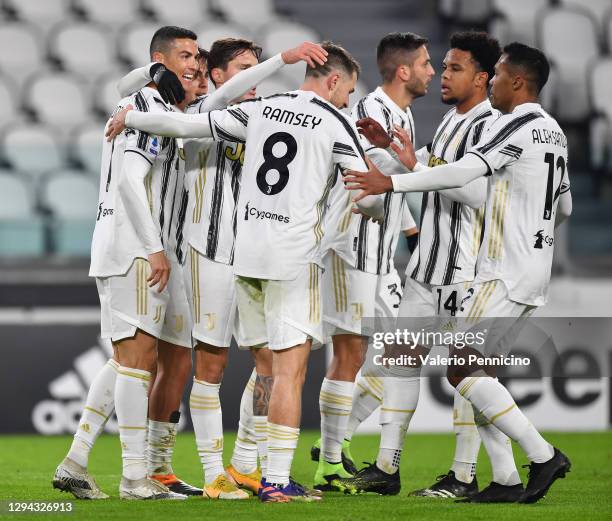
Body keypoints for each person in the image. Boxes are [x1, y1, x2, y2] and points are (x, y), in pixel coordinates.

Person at [106, 40, 378, 503]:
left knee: (267, 367)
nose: (252, 79)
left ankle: (247, 464)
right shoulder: (295, 116)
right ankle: (221, 473)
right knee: (219, 366)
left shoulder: (262, 112)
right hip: (216, 251)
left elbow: (179, 121)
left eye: (256, 69)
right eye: (242, 70)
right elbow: (368, 194)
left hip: (247, 254)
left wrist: (131, 116)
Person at [344, 42, 572, 504]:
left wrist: (393, 181)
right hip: (480, 266)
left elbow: (468, 182)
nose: (444, 74)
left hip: (481, 269)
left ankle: (524, 460)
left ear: (508, 79)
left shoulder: (508, 125)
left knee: (464, 369)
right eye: (441, 66)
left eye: (455, 67)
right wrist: (395, 151)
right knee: (448, 366)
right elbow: (562, 206)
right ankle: (502, 478)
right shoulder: (549, 131)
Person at [55, 25, 203, 501]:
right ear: (158, 61)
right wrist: (155, 247)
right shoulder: (148, 109)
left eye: (197, 56)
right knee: (139, 363)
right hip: (135, 249)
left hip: (118, 245)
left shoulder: (140, 106)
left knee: (125, 360)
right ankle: (135, 477)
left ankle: (75, 461)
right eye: (184, 55)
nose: (194, 64)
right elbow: (129, 182)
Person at [313, 31, 432, 494]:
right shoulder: (369, 113)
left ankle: (335, 444)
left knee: (397, 358)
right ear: (402, 70)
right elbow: (365, 185)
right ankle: (329, 458)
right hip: (354, 251)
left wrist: (411, 234)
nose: (431, 71)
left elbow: (393, 187)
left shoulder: (400, 114)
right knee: (350, 354)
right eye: (424, 63)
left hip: (381, 258)